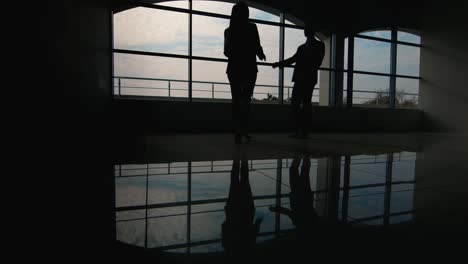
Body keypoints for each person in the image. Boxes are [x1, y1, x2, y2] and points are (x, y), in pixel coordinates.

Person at [272, 23, 325, 139]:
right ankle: (302, 130)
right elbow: (313, 61)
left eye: (306, 29)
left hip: (304, 78)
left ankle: (301, 130)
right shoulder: (317, 46)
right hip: (306, 78)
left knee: (301, 103)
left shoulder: (306, 47)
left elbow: (295, 60)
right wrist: (279, 64)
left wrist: (279, 64)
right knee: (300, 103)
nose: (305, 31)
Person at [224, 1, 266, 144]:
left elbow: (226, 52)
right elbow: (257, 46)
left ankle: (237, 131)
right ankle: (244, 130)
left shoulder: (228, 31)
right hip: (249, 68)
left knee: (236, 100)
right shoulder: (252, 28)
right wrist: (260, 55)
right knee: (246, 101)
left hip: (234, 68)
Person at [222, 159, 262, 256]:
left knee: (244, 179)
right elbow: (224, 226)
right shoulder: (228, 244)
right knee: (235, 181)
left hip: (246, 210)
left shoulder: (249, 244)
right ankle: (236, 161)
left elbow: (255, 227)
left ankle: (244, 161)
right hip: (233, 210)